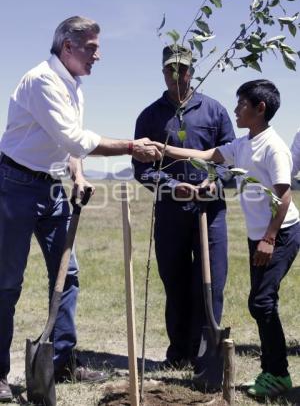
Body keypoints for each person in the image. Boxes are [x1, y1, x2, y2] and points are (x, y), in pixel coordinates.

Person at [0, 16, 161, 402]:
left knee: (67, 275)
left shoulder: (74, 86)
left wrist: (79, 175)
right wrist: (129, 146)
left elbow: (69, 146)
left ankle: (61, 360)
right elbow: (73, 136)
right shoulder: (42, 81)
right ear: (67, 47)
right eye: (91, 47)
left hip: (52, 188)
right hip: (15, 186)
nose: (98, 55)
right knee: (7, 283)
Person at [154, 79, 300, 398]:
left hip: (280, 233)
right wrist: (163, 149)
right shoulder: (245, 143)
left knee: (261, 302)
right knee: (261, 303)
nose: (236, 109)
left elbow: (284, 196)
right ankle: (272, 372)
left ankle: (277, 374)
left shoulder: (273, 147)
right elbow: (206, 154)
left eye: (241, 104)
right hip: (259, 236)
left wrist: (269, 239)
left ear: (260, 109)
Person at [133, 44, 235, 389]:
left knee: (211, 284)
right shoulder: (150, 116)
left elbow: (232, 161)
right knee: (175, 282)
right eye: (170, 70)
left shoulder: (215, 111)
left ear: (192, 71)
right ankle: (179, 351)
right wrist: (170, 185)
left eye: (184, 70)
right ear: (163, 72)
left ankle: (207, 356)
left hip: (211, 211)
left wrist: (214, 180)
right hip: (171, 212)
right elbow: (141, 168)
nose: (177, 76)